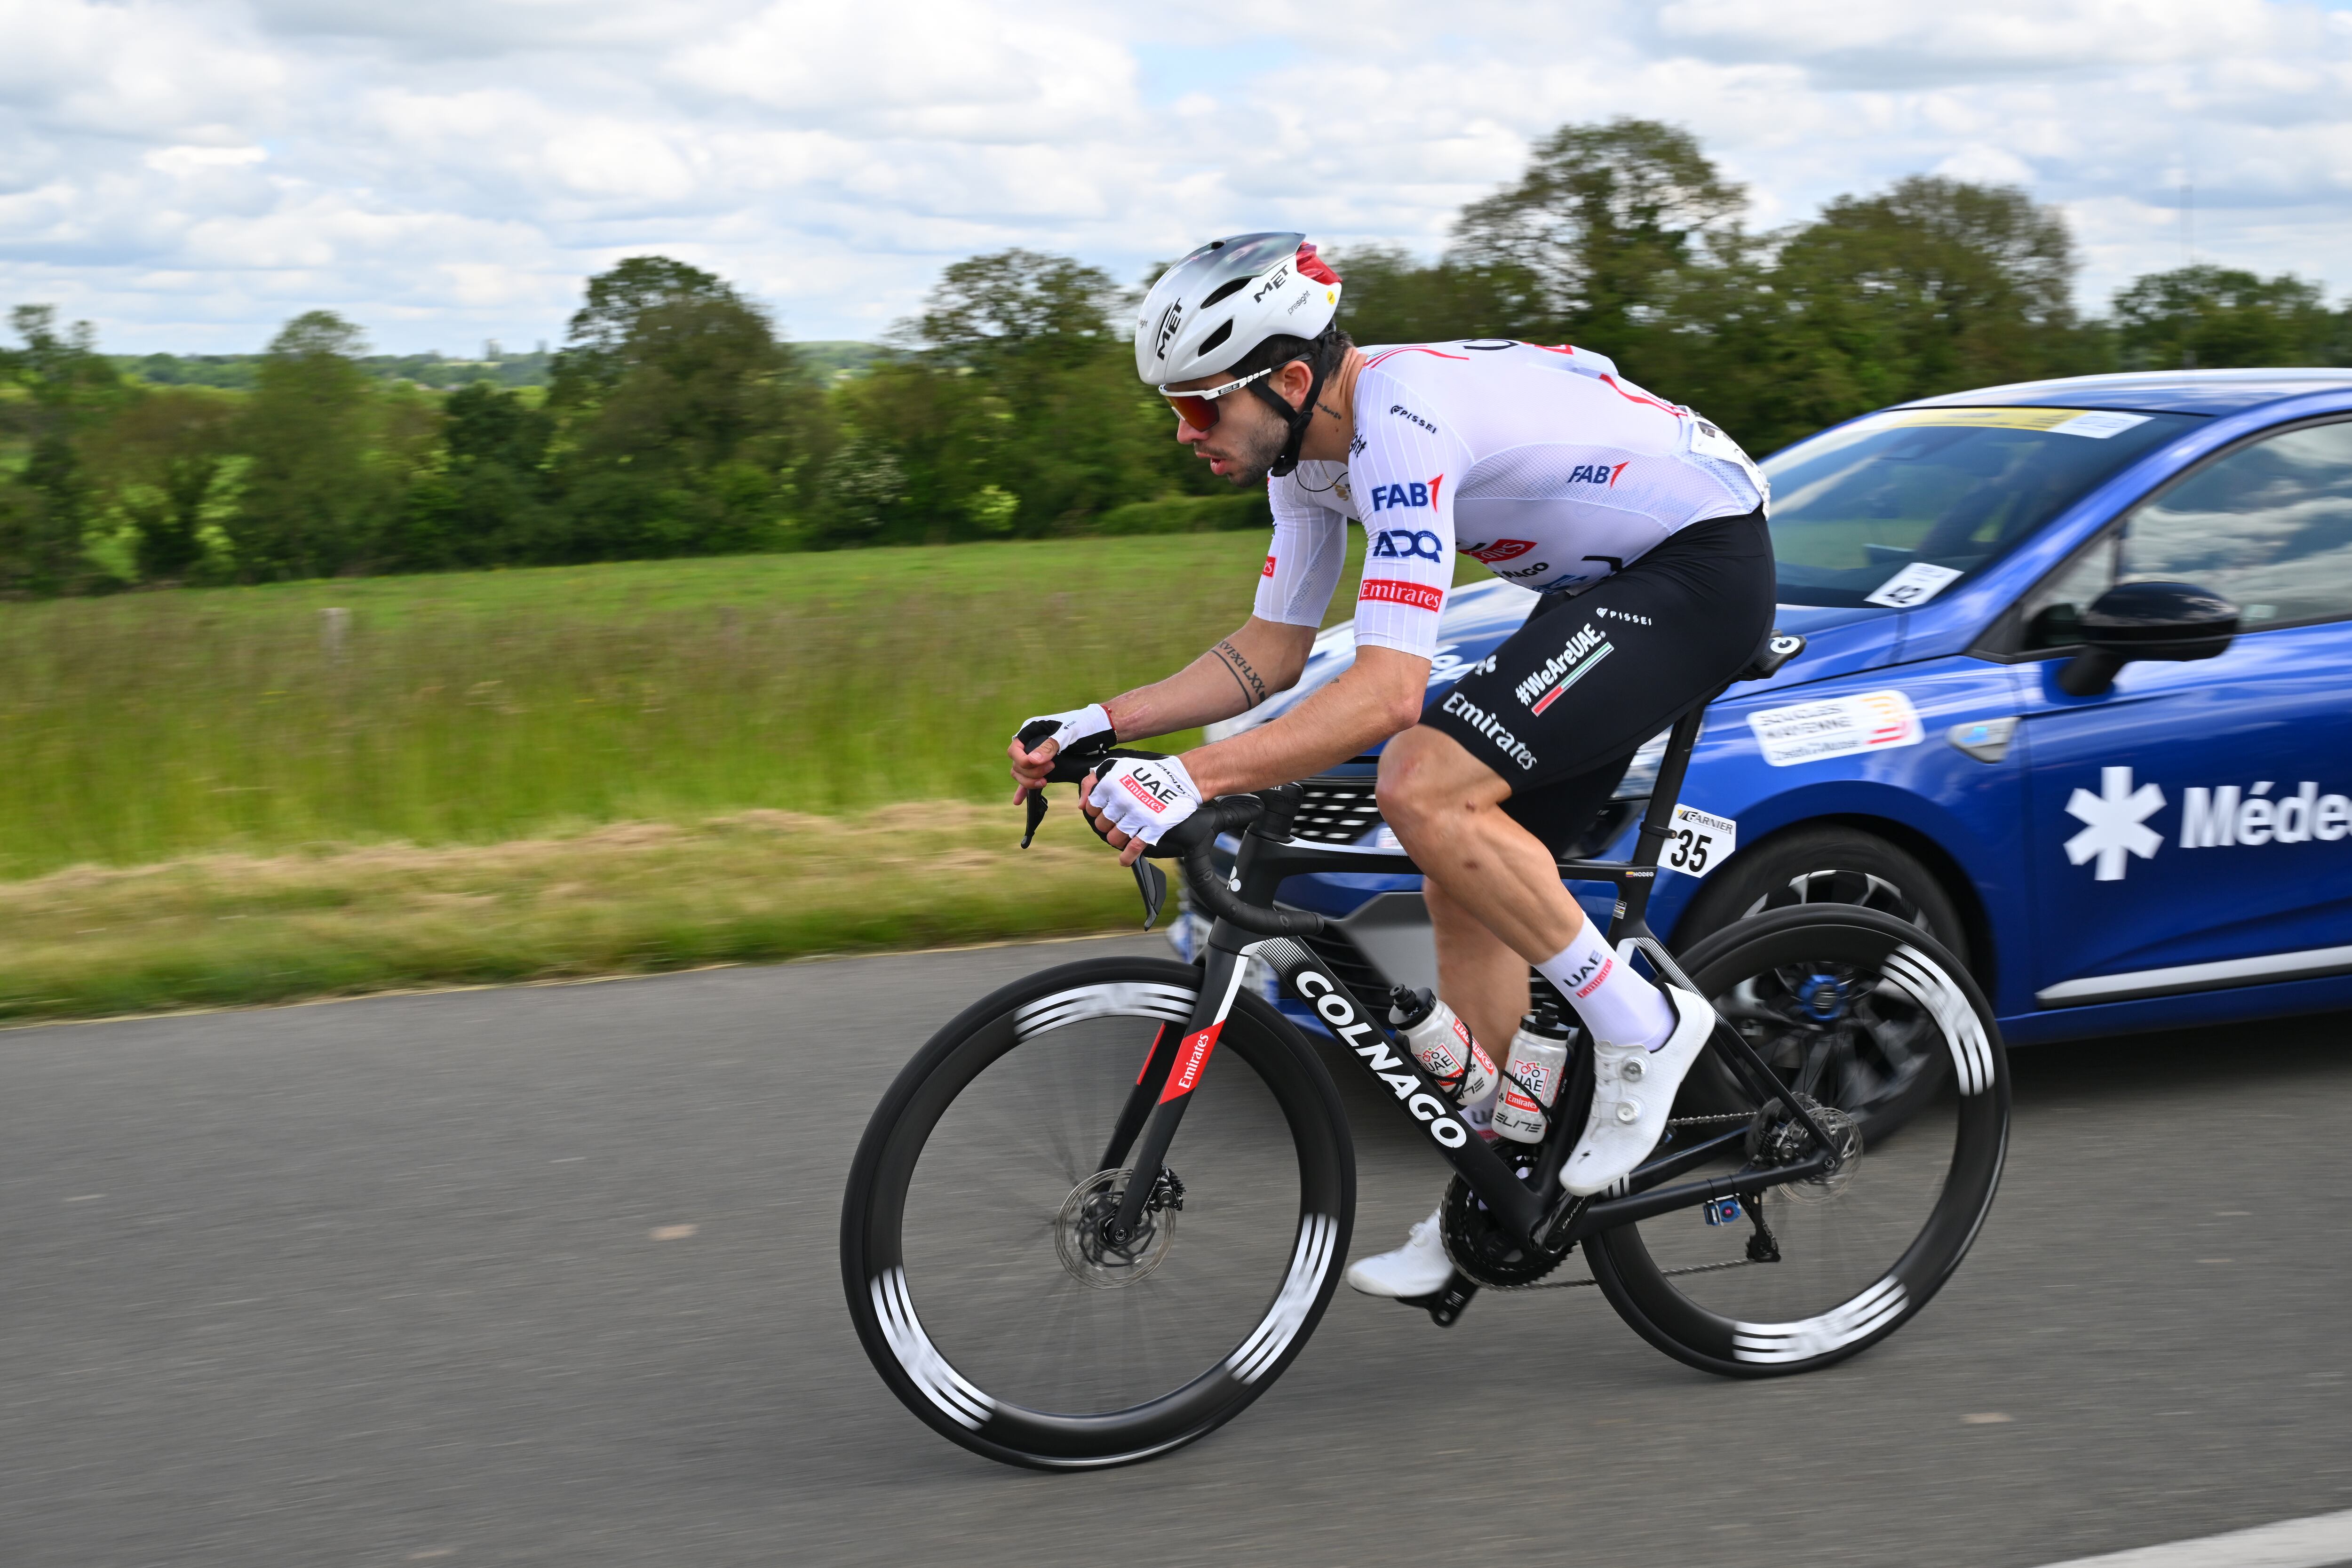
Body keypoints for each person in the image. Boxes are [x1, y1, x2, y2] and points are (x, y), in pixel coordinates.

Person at [1008, 232, 1776, 1303]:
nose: (1185, 434)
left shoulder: (1399, 424)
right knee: (1455, 877)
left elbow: (1386, 694)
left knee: (1420, 777)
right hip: (1598, 589)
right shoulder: (1306, 457)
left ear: (1286, 378)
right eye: (1172, 410)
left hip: (1697, 566)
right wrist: (1100, 718)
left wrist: (1194, 777)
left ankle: (1642, 1023)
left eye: (1198, 406)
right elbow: (1266, 654)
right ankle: (1513, 1180)